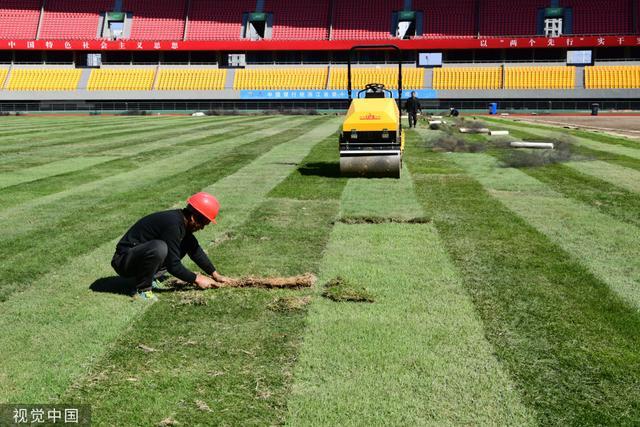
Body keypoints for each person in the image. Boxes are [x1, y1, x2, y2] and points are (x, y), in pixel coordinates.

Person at [111, 192, 234, 301]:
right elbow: (173, 265)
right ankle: (143, 289)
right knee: (159, 248)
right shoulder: (173, 225)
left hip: (136, 257)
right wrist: (197, 278)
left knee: (181, 244)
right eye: (203, 223)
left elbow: (195, 250)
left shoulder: (182, 223)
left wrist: (215, 275)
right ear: (192, 217)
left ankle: (149, 277)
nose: (202, 228)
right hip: (123, 260)